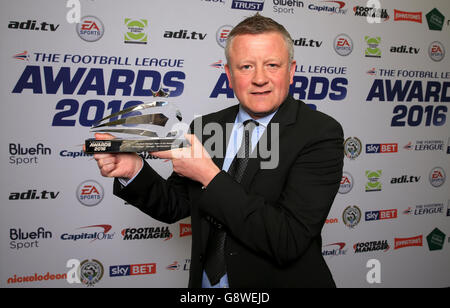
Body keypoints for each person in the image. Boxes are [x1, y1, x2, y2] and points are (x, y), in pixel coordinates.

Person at [92, 14, 344, 288]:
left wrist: (209, 175)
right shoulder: (206, 126)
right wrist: (134, 171)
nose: (260, 78)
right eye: (246, 66)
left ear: (291, 71)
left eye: (272, 65)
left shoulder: (320, 133)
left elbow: (287, 240)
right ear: (229, 75)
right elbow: (176, 205)